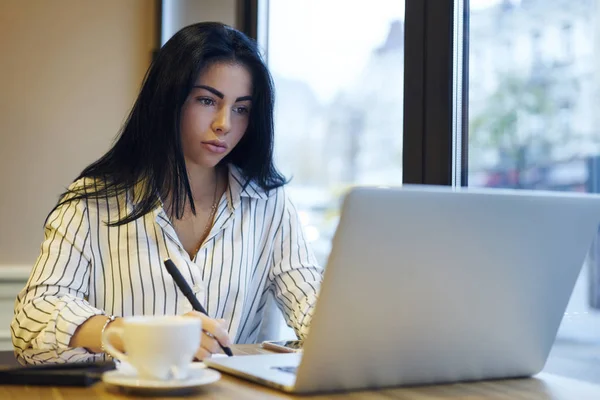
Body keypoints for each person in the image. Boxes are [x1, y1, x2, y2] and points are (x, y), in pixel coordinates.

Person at [11, 22, 323, 365]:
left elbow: (315, 311)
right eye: (207, 100)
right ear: (168, 100)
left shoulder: (270, 204)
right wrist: (137, 335)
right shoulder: (92, 201)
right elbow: (33, 318)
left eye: (241, 108)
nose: (225, 124)